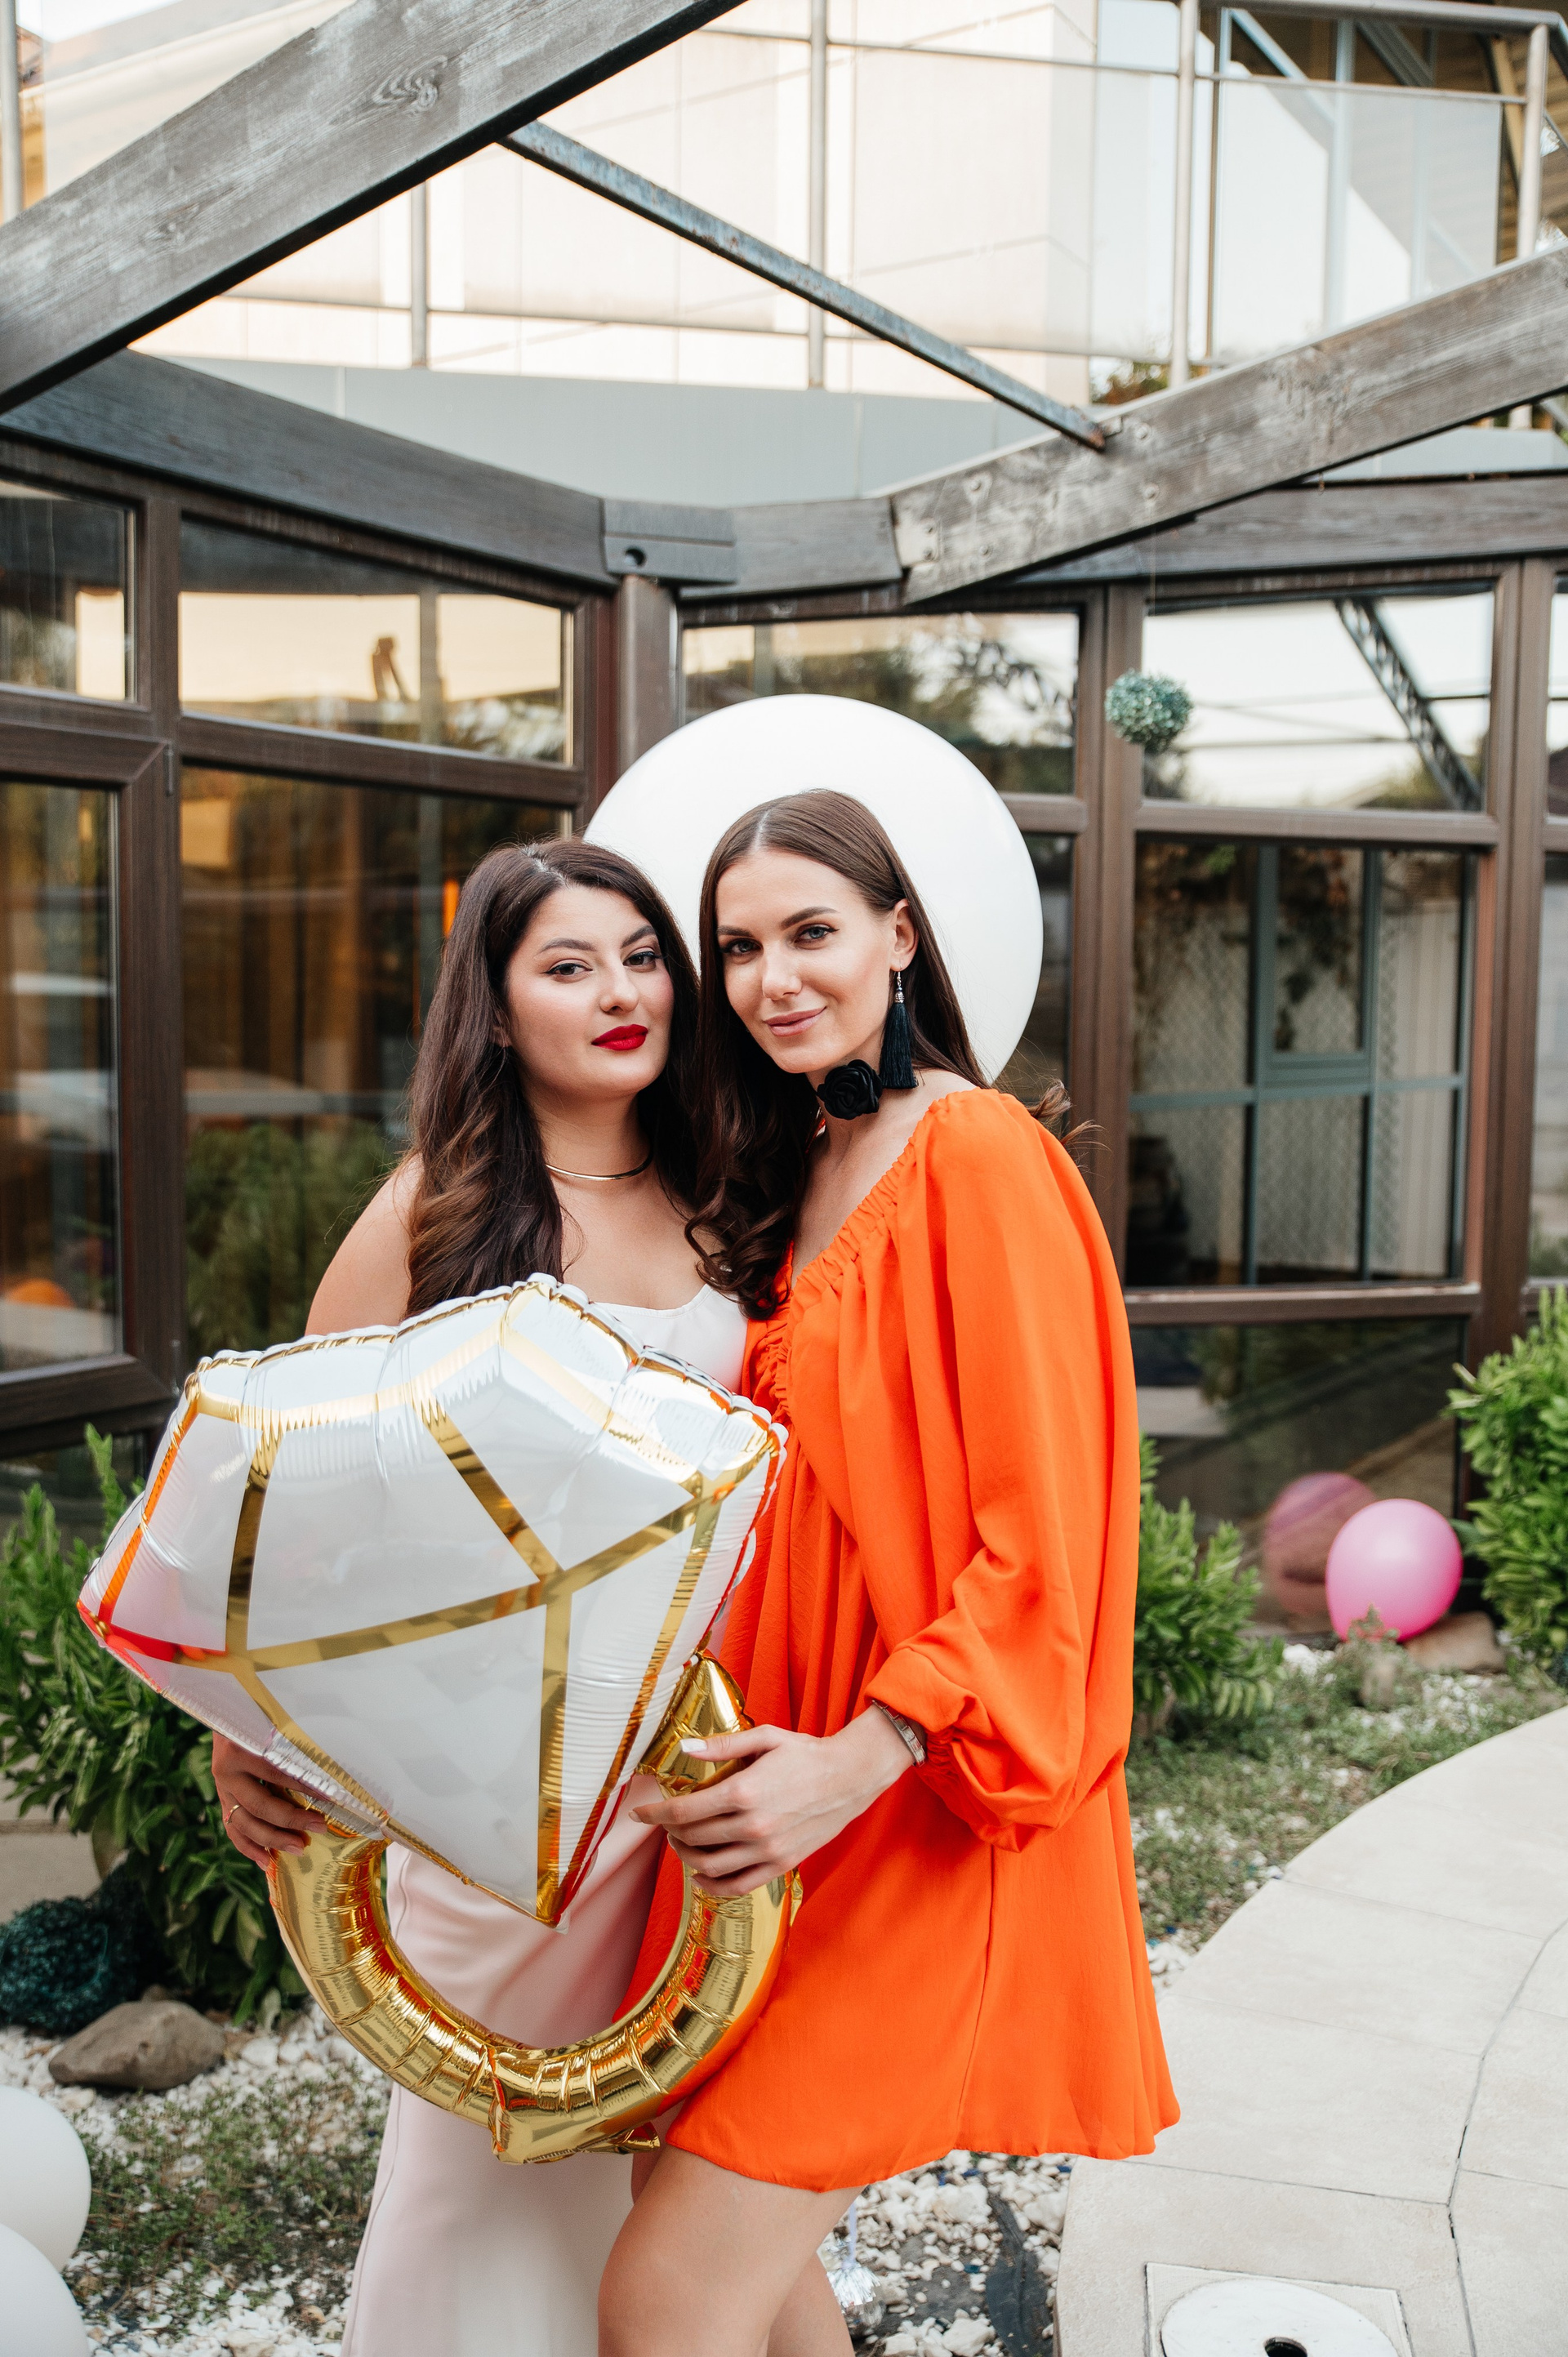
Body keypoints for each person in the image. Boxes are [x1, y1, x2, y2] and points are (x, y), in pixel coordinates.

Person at [599, 789, 1176, 2357]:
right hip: (781, 1785)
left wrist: (863, 1756)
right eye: (739, 947)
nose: (773, 977)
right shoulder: (803, 1160)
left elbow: (1049, 1536)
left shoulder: (977, 1155)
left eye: (813, 931)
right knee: (721, 2228)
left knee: (666, 2293)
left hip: (910, 1793)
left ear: (900, 934)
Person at [208, 835, 756, 2357]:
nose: (622, 992)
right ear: (498, 1010)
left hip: (696, 1770)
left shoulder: (731, 1193)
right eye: (568, 966)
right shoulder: (435, 1207)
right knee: (478, 2161)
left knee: (691, 2172)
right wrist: (245, 1730)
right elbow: (285, 1491)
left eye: (642, 957)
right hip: (496, 1779)